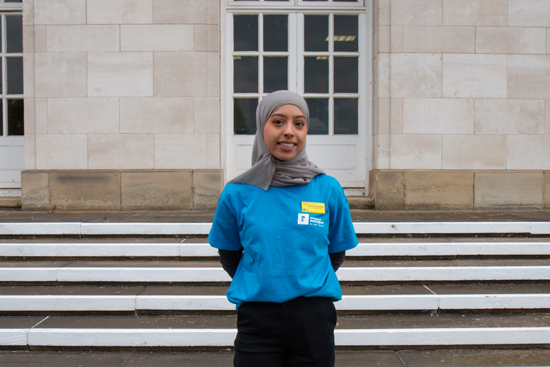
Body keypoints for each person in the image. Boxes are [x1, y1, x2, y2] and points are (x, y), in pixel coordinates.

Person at [208, 90, 358, 367]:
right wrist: (265, 278)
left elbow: (335, 252)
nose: (289, 132)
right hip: (258, 318)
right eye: (278, 122)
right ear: (261, 125)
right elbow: (229, 253)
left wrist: (303, 279)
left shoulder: (328, 189)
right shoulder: (237, 193)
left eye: (298, 124)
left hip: (313, 317)